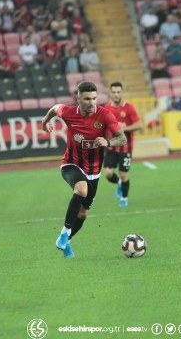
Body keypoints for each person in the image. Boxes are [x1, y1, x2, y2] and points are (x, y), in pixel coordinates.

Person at [41, 81, 126, 258]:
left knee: (83, 214)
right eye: (87, 99)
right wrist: (45, 123)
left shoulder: (105, 115)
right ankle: (64, 232)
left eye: (95, 98)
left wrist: (108, 142)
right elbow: (55, 108)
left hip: (94, 171)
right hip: (71, 164)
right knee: (81, 188)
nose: (92, 102)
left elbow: (122, 138)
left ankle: (67, 241)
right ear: (78, 98)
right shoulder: (69, 112)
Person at [103, 82, 142, 207]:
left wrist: (125, 128)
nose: (116, 94)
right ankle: (119, 183)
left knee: (124, 174)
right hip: (111, 146)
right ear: (110, 93)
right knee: (108, 174)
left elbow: (139, 125)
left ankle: (124, 198)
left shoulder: (129, 108)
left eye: (118, 92)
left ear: (122, 92)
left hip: (126, 148)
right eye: (114, 92)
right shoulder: (107, 108)